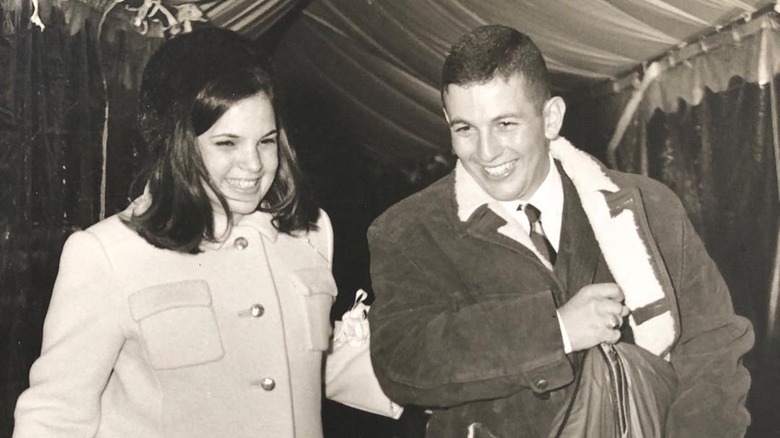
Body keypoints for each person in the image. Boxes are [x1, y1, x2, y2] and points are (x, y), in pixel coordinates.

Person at [367, 24, 754, 437]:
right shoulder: (409, 230)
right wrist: (557, 331)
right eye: (465, 129)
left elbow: (711, 347)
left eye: (505, 124)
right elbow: (401, 363)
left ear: (550, 118)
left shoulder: (649, 206)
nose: (486, 152)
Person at [14, 27, 345, 437]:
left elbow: (315, 365)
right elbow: (55, 416)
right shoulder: (106, 253)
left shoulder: (311, 233)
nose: (255, 165)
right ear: (177, 144)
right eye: (227, 143)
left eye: (266, 141)